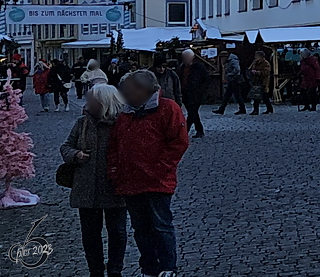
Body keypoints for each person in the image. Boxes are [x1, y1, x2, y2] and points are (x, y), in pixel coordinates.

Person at [110, 69, 188, 277]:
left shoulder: (167, 108)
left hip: (156, 181)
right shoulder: (126, 113)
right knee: (140, 229)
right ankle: (149, 267)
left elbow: (178, 142)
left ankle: (167, 267)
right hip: (130, 181)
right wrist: (116, 171)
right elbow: (115, 144)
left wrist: (158, 169)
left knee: (161, 225)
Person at [62, 83, 130, 277]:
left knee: (117, 232)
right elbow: (66, 147)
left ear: (103, 101)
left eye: (90, 99)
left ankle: (115, 269)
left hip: (114, 186)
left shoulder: (123, 123)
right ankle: (96, 271)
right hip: (87, 188)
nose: (87, 102)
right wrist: (76, 155)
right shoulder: (82, 122)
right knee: (90, 234)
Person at [176, 51, 210, 138]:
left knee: (192, 113)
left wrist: (201, 90)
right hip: (185, 94)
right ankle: (199, 130)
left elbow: (206, 79)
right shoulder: (181, 68)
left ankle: (184, 132)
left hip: (196, 94)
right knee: (193, 113)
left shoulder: (199, 67)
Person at [248, 49, 274, 115]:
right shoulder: (255, 63)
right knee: (256, 97)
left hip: (263, 82)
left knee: (264, 97)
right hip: (256, 82)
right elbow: (250, 69)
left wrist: (257, 72)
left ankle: (268, 108)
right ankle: (258, 109)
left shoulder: (266, 63)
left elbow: (266, 72)